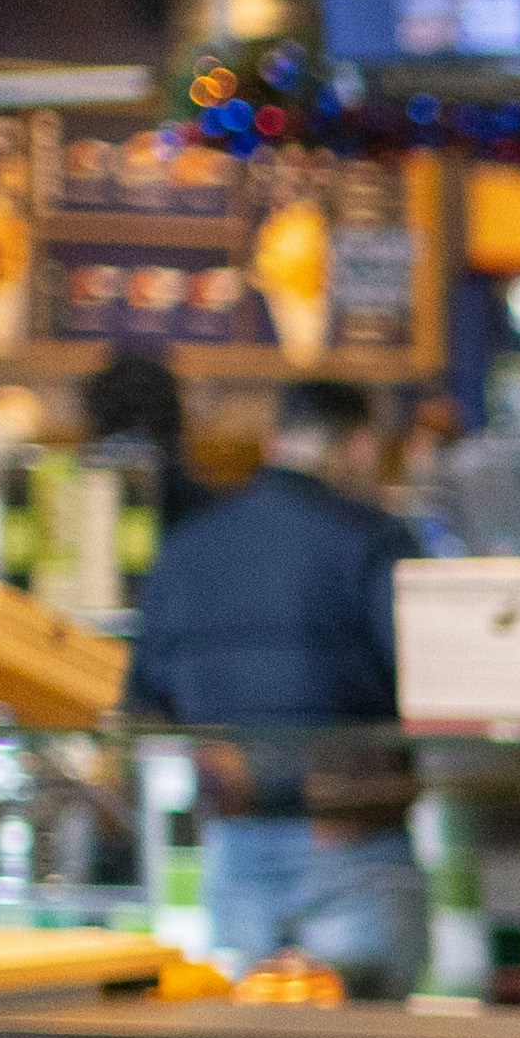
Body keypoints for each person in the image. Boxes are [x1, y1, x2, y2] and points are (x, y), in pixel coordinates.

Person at [127, 378, 425, 992]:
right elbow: (429, 687)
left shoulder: (186, 546)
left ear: (273, 442)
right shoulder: (375, 540)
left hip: (232, 845)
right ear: (363, 447)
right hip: (353, 843)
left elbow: (144, 699)